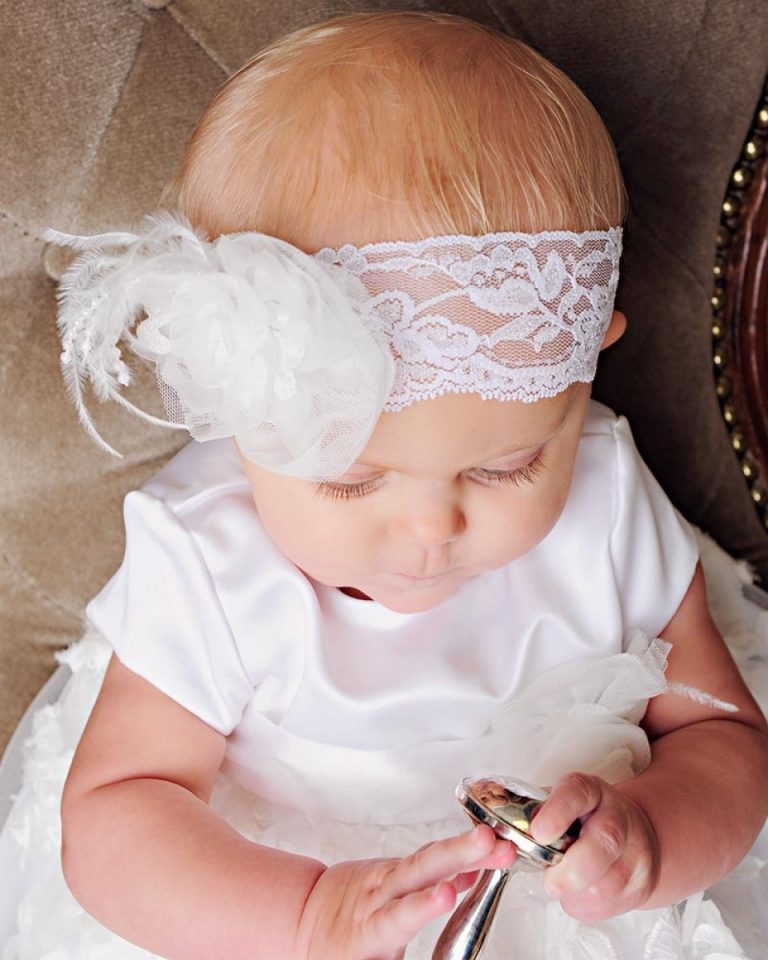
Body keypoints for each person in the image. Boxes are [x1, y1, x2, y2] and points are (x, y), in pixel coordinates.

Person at [11, 10, 768, 960]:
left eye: (505, 465)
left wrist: (653, 831)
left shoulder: (607, 498)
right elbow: (117, 814)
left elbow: (724, 737)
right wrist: (305, 916)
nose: (429, 529)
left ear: (583, 375)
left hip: (574, 912)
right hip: (260, 903)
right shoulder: (208, 555)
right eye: (349, 481)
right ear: (239, 415)